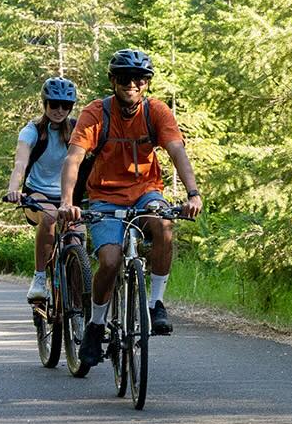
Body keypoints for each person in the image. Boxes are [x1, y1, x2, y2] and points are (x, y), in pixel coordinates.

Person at [59, 48, 203, 368]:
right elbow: (74, 159)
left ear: (147, 83)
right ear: (113, 81)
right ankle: (96, 326)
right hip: (105, 197)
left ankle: (156, 304)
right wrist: (68, 203)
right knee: (109, 262)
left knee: (163, 225)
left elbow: (177, 151)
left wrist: (193, 194)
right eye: (125, 78)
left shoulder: (156, 112)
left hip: (146, 192)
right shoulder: (96, 113)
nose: (133, 84)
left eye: (140, 79)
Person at [4, 77, 81, 302]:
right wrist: (13, 189)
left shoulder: (75, 130)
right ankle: (39, 279)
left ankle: (78, 307)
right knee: (49, 217)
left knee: (77, 242)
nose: (59, 110)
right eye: (54, 104)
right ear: (45, 104)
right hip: (38, 194)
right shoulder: (32, 130)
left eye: (65, 105)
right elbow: (20, 163)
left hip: (68, 197)